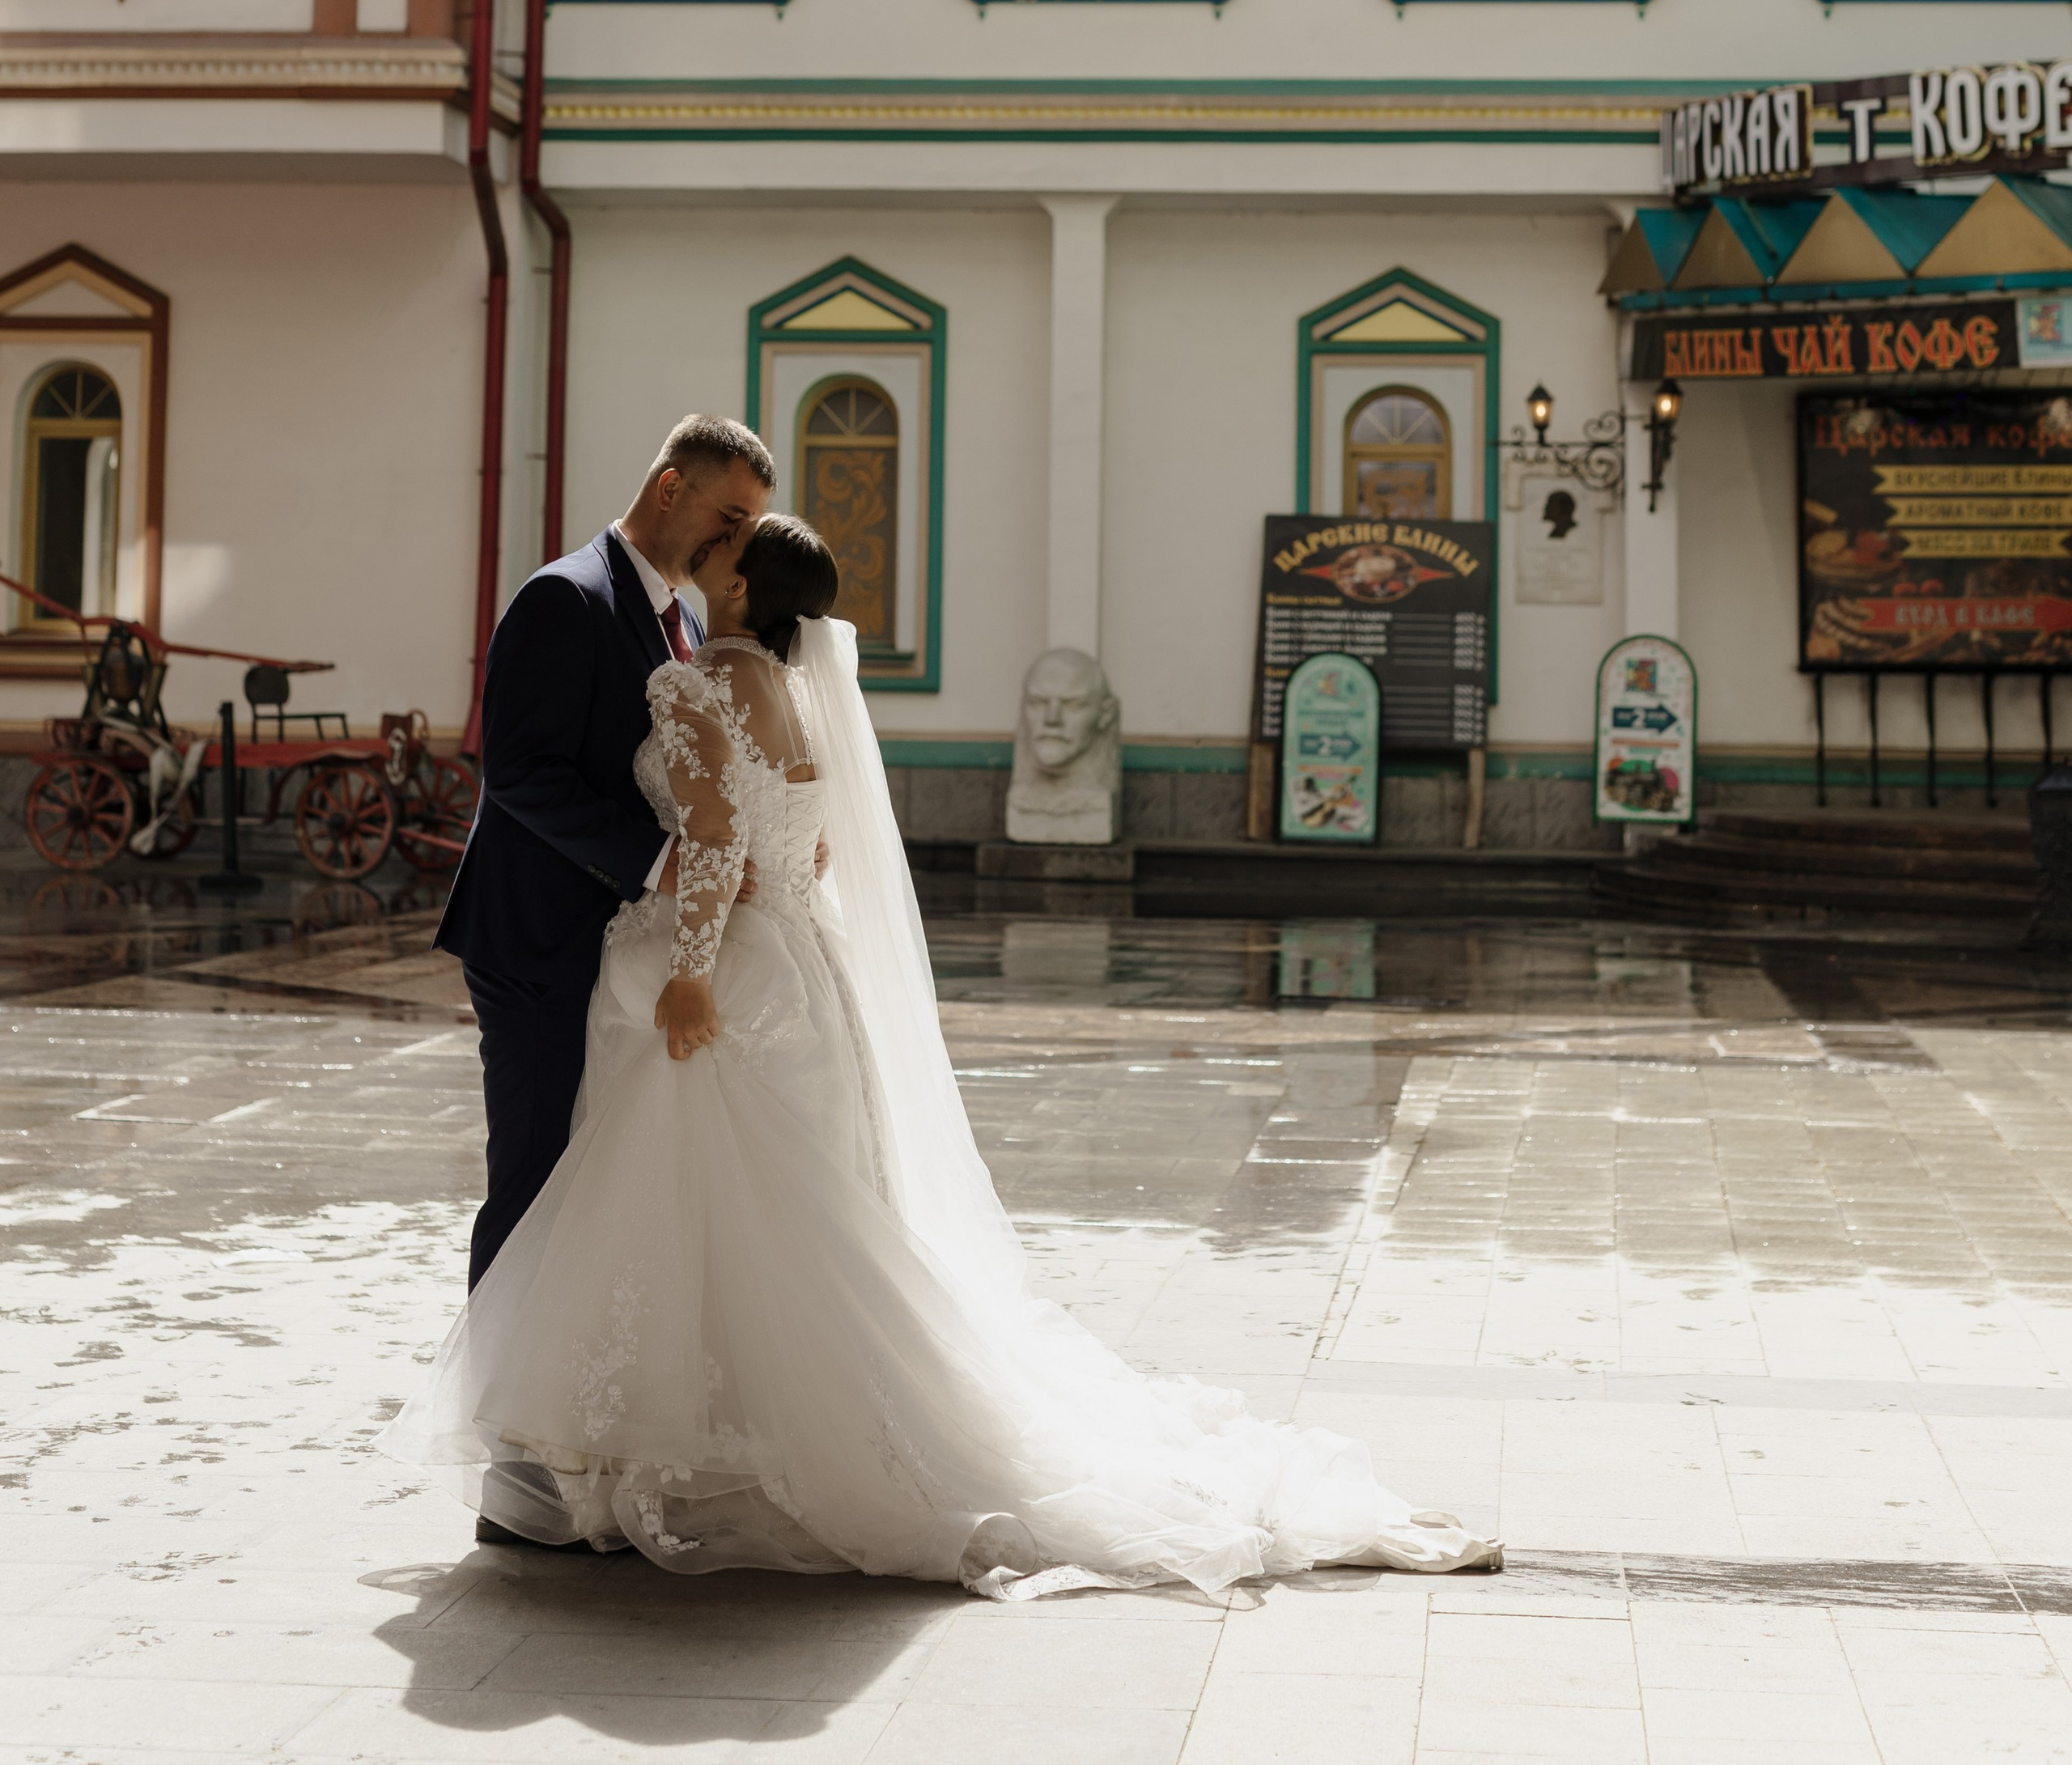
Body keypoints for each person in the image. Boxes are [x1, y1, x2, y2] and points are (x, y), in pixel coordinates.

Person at [392, 512, 1501, 1597]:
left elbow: (717, 850)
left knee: (699, 1205)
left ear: (737, 586)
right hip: (806, 976)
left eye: (729, 540)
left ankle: (690, 1443)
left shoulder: (697, 687)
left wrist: (686, 977)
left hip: (726, 972)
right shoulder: (801, 696)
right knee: (798, 1212)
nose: (712, 546)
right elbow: (809, 839)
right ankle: (758, 1428)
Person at [435, 414, 773, 1535]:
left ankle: (577, 1441)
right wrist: (670, 861)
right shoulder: (565, 597)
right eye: (729, 518)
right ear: (669, 485)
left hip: (619, 944)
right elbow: (518, 770)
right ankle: (510, 1468)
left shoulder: (672, 618)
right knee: (532, 1184)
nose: (737, 545)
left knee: (598, 1196)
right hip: (535, 939)